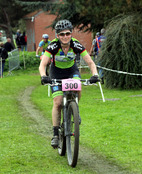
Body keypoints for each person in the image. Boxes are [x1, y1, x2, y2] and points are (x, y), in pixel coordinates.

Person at [39, 19, 99, 148]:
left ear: (71, 34)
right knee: (58, 102)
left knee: (78, 87)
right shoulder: (53, 46)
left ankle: (75, 110)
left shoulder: (76, 45)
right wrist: (44, 76)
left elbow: (90, 62)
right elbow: (43, 64)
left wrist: (95, 75)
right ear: (57, 35)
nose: (65, 37)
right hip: (56, 73)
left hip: (72, 71)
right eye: (61, 34)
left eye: (67, 34)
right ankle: (55, 134)